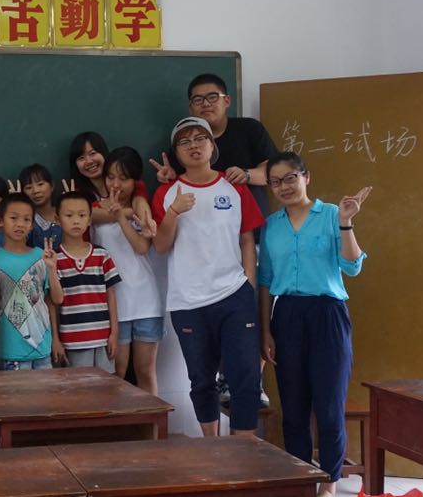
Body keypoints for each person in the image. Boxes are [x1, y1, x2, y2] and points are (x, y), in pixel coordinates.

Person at [258, 152, 369, 497]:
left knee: (329, 406)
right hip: (286, 316)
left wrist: (347, 222)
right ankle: (302, 480)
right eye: (276, 182)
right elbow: (265, 280)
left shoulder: (332, 215)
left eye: (290, 178)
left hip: (327, 314)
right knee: (293, 408)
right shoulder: (271, 225)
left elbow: (352, 267)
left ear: (306, 177)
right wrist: (266, 331)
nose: (284, 187)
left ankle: (329, 486)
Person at [152, 117, 264, 437]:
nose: (193, 146)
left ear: (212, 146)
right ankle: (211, 446)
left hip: (234, 294)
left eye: (200, 138)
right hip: (188, 301)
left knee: (244, 376)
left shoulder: (234, 186)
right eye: (184, 141)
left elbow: (247, 238)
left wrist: (249, 285)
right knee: (201, 380)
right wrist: (173, 211)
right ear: (176, 153)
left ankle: (243, 448)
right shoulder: (167, 192)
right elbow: (160, 245)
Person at [151, 74, 278, 219]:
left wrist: (246, 175)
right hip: (205, 223)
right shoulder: (183, 142)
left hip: (251, 221)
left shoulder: (249, 128)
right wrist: (170, 176)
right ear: (191, 108)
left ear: (227, 100)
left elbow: (275, 172)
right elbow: (178, 183)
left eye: (212, 97)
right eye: (198, 100)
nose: (205, 104)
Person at [96, 148, 164, 392]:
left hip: (146, 299)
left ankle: (154, 420)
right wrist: (119, 213)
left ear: (135, 181)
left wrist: (121, 218)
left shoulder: (140, 205)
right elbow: (90, 216)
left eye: (123, 178)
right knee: (117, 374)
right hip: (114, 303)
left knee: (145, 371)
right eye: (110, 177)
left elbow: (142, 247)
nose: (116, 184)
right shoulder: (93, 208)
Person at [0, 194, 63, 370]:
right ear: (0, 221)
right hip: (11, 348)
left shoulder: (42, 256)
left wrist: (52, 269)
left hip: (42, 346)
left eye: (26, 219)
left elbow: (57, 299)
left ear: (32, 224)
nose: (20, 224)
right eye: (14, 218)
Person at [49, 190, 119, 373]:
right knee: (79, 387)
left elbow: (111, 295)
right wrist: (56, 339)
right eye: (69, 215)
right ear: (57, 219)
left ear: (89, 220)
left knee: (107, 385)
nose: (76, 221)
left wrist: (114, 333)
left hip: (103, 338)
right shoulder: (54, 259)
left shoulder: (101, 255)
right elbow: (52, 303)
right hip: (72, 341)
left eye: (81, 215)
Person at [19, 163, 62, 249]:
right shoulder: (26, 220)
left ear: (52, 186)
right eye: (28, 187)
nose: (36, 191)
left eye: (40, 184)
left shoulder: (66, 213)